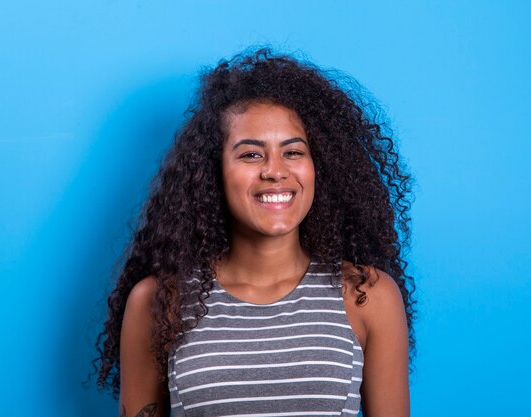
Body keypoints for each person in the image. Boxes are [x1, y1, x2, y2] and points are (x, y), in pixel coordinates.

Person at [93, 48, 416, 417]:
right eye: (251, 155)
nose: (275, 171)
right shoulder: (158, 302)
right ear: (212, 171)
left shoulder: (367, 296)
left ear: (319, 165)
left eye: (293, 152)